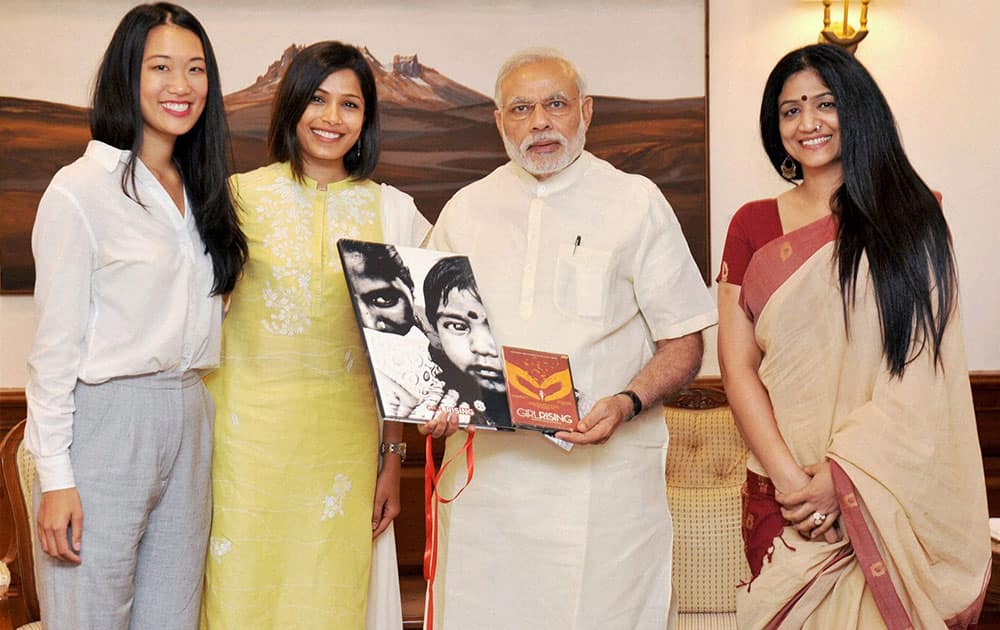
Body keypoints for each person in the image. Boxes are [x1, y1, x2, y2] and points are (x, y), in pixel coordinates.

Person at [421, 48, 717, 628]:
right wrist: (432, 399)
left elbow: (684, 342)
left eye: (556, 104)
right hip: (489, 491)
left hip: (602, 488)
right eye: (521, 107)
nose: (540, 122)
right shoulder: (465, 209)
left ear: (586, 111)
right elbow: (433, 345)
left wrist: (627, 402)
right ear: (498, 121)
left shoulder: (636, 202)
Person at [717, 44, 990, 628]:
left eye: (825, 103)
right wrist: (794, 483)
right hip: (782, 492)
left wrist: (839, 479)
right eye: (790, 110)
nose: (807, 122)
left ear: (858, 110)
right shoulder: (752, 224)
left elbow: (925, 369)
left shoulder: (913, 217)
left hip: (886, 489)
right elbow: (737, 366)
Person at [25, 3, 247, 628]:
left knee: (172, 618)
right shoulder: (79, 191)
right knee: (89, 615)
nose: (182, 86)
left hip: (192, 411)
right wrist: (56, 479)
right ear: (128, 74)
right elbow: (53, 354)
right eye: (161, 67)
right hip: (108, 421)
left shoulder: (204, 187)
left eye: (197, 69)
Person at [201, 41, 430, 630]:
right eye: (318, 99)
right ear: (292, 106)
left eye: (349, 105)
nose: (332, 118)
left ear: (366, 118)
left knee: (332, 595)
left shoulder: (394, 213)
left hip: (344, 450)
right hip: (243, 446)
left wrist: (391, 460)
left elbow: (404, 357)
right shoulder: (237, 199)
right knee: (240, 593)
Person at [422, 255, 510, 428]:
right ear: (435, 332)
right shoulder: (435, 395)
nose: (482, 347)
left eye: (496, 326)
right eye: (457, 326)